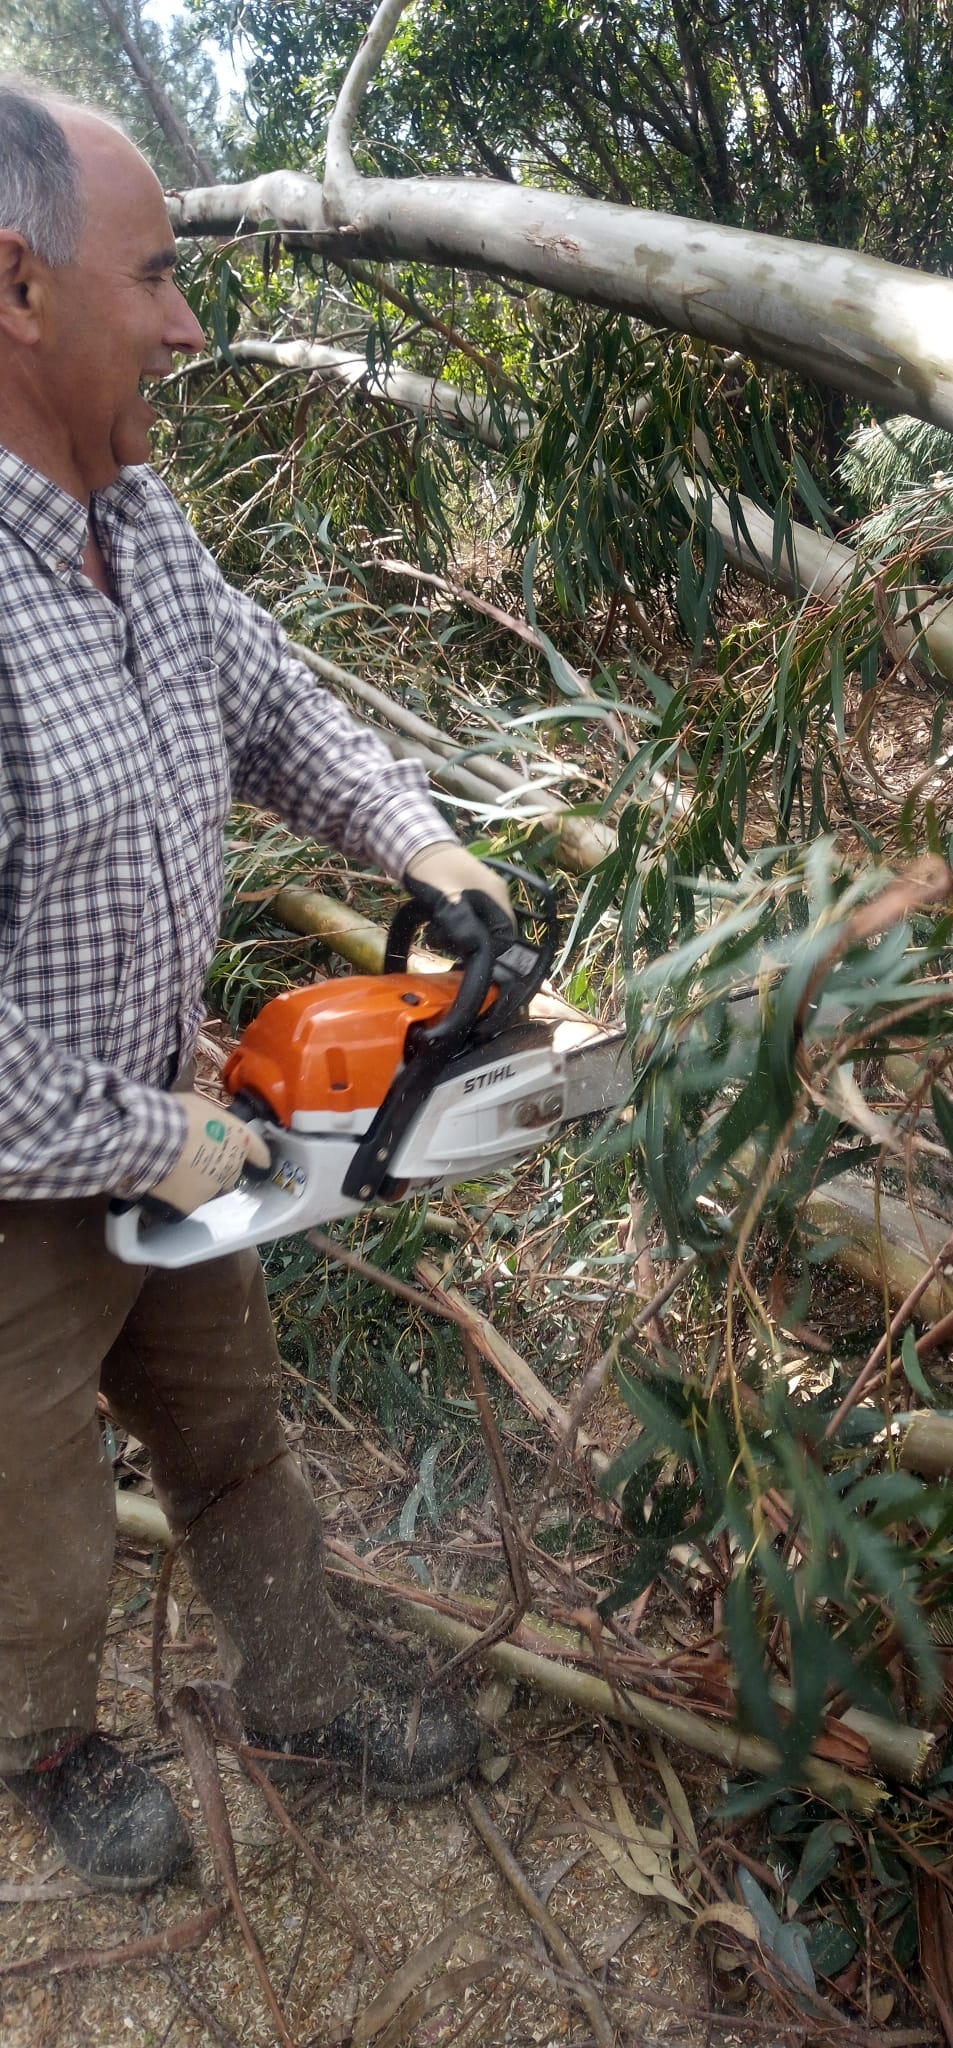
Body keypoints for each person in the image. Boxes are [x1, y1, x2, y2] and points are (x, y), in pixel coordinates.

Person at [0, 79, 516, 1890]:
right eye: (154, 277)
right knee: (34, 1506)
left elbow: (274, 697)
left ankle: (303, 1693)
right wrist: (161, 1139)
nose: (188, 325)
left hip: (169, 1111)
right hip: (23, 1185)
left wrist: (427, 850)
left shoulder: (137, 520)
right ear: (17, 288)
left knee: (231, 1431)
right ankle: (50, 1745)